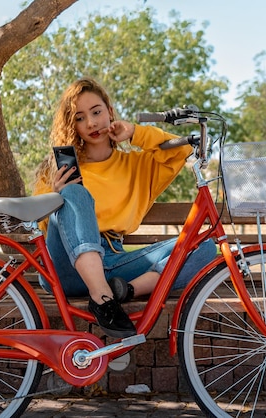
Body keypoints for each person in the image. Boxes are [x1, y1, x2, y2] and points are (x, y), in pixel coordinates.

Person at [33, 77, 216, 338]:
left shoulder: (136, 167)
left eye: (96, 112)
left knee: (205, 246)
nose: (92, 123)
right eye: (80, 118)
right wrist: (54, 196)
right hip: (65, 270)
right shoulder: (57, 169)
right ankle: (103, 299)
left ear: (109, 111)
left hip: (115, 264)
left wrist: (136, 132)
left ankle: (125, 291)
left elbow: (184, 150)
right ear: (72, 125)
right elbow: (40, 228)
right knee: (74, 191)